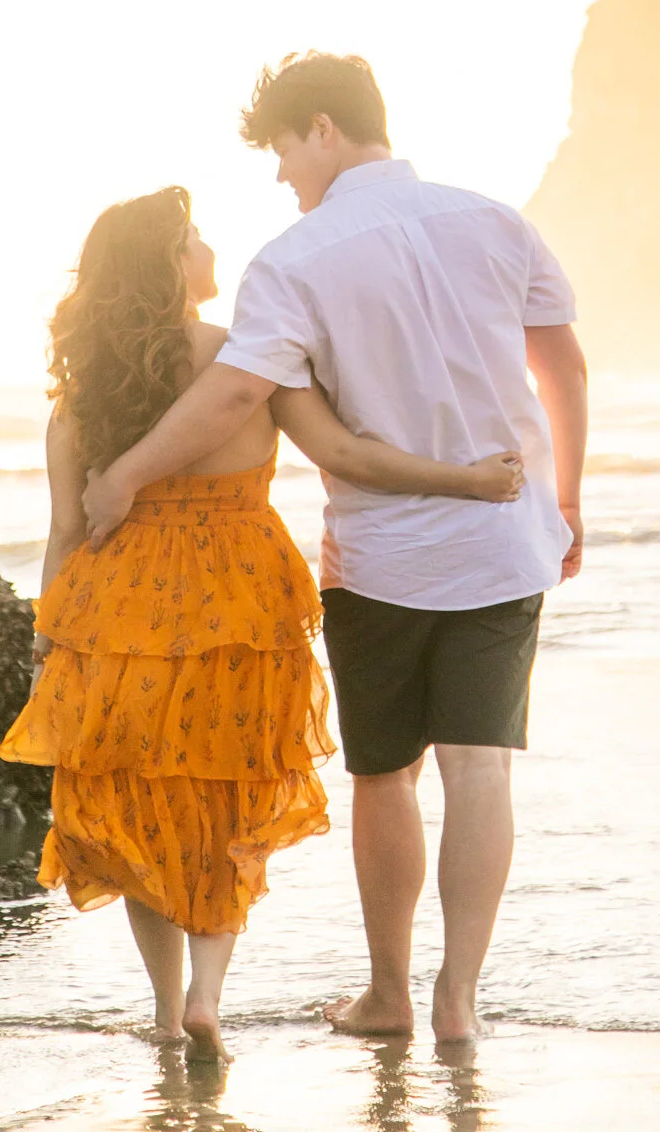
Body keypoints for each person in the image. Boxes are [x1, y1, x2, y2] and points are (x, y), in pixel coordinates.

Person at [83, 55, 588, 1042]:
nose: (279, 174)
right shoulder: (492, 218)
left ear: (320, 129)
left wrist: (127, 473)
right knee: (481, 764)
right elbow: (561, 360)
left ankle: (390, 992)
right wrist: (565, 497)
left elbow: (236, 391)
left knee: (385, 772)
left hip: (380, 558)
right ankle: (459, 1001)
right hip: (503, 538)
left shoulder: (294, 257)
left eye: (280, 148)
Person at [0, 185, 524, 1059]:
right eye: (195, 238)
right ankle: (208, 995)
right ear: (171, 265)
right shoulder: (249, 362)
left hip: (119, 612)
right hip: (238, 602)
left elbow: (65, 531)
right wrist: (464, 480)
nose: (210, 249)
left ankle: (168, 1014)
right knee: (227, 804)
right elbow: (347, 455)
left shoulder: (84, 394)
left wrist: (51, 642)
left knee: (139, 807)